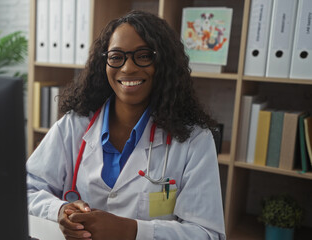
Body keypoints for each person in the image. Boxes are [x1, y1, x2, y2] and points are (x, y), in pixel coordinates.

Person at [27, 10, 226, 240]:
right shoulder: (75, 125)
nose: (128, 68)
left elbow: (207, 234)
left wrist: (131, 231)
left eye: (143, 56)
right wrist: (60, 209)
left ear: (164, 62)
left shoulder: (194, 139)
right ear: (105, 62)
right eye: (116, 56)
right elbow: (26, 188)